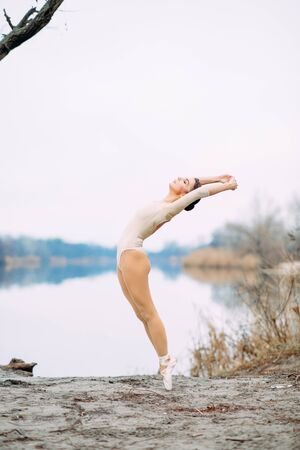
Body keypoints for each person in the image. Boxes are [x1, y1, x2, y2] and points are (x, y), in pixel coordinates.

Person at [116, 174, 238, 390]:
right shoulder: (163, 202)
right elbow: (198, 183)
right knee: (141, 315)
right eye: (184, 177)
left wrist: (227, 186)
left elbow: (199, 191)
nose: (181, 178)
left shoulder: (171, 209)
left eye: (185, 183)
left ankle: (166, 360)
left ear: (185, 194)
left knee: (149, 313)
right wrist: (218, 176)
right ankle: (162, 362)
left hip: (133, 257)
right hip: (123, 257)